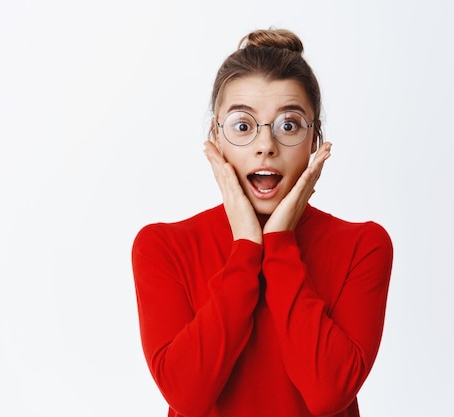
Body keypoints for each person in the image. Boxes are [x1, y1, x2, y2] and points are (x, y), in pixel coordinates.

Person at [132, 28, 393, 417]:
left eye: (288, 125)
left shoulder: (364, 245)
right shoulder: (162, 246)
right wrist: (247, 250)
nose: (265, 145)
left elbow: (327, 394)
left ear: (314, 140)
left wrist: (280, 244)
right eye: (242, 125)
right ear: (215, 140)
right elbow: (188, 396)